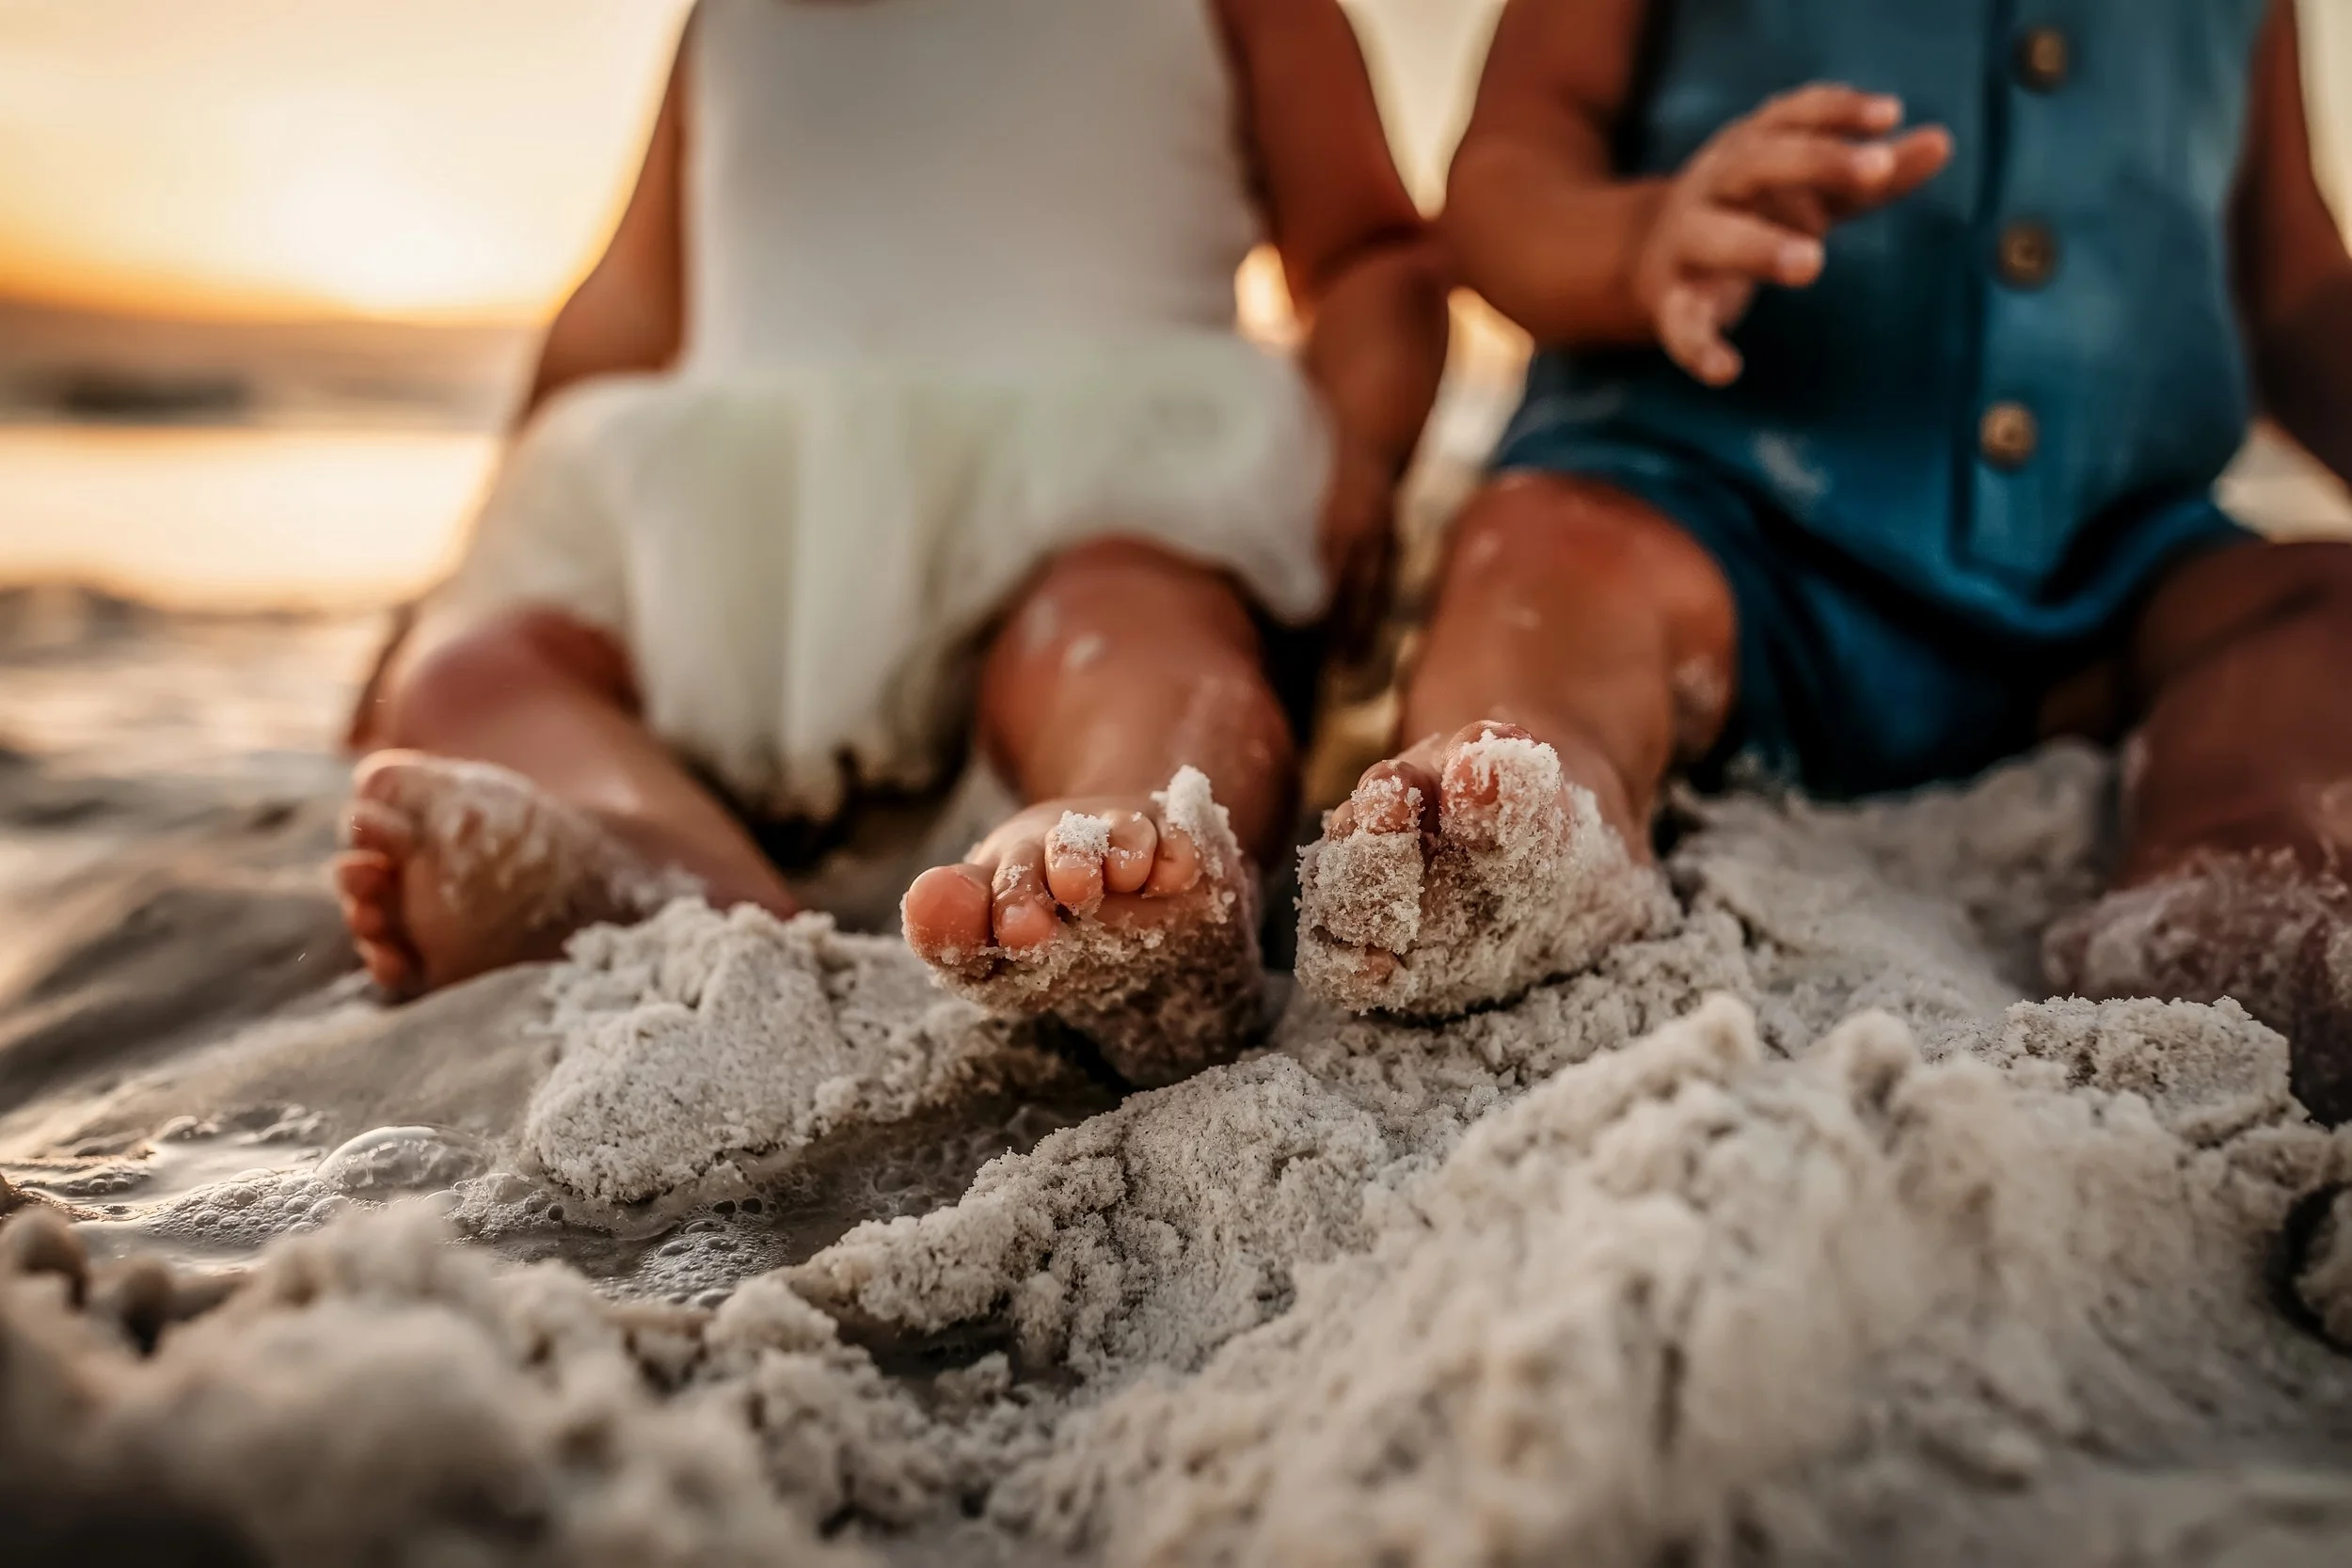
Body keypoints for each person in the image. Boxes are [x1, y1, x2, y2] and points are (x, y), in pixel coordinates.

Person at [334, 0, 1447, 1085]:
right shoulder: (734, 22)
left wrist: (1358, 448)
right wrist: (468, 570)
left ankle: (1132, 816)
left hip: (1093, 478)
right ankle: (657, 864)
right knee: (472, 676)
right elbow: (623, 316)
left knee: (1126, 628)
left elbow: (1370, 250)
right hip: (738, 546)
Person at [1295, 0, 2352, 1122]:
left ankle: (2240, 868)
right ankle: (1528, 804)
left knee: (2318, 604)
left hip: (2108, 569)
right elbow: (1510, 171)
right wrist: (1640, 238)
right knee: (1545, 552)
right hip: (1705, 523)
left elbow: (2290, 288)